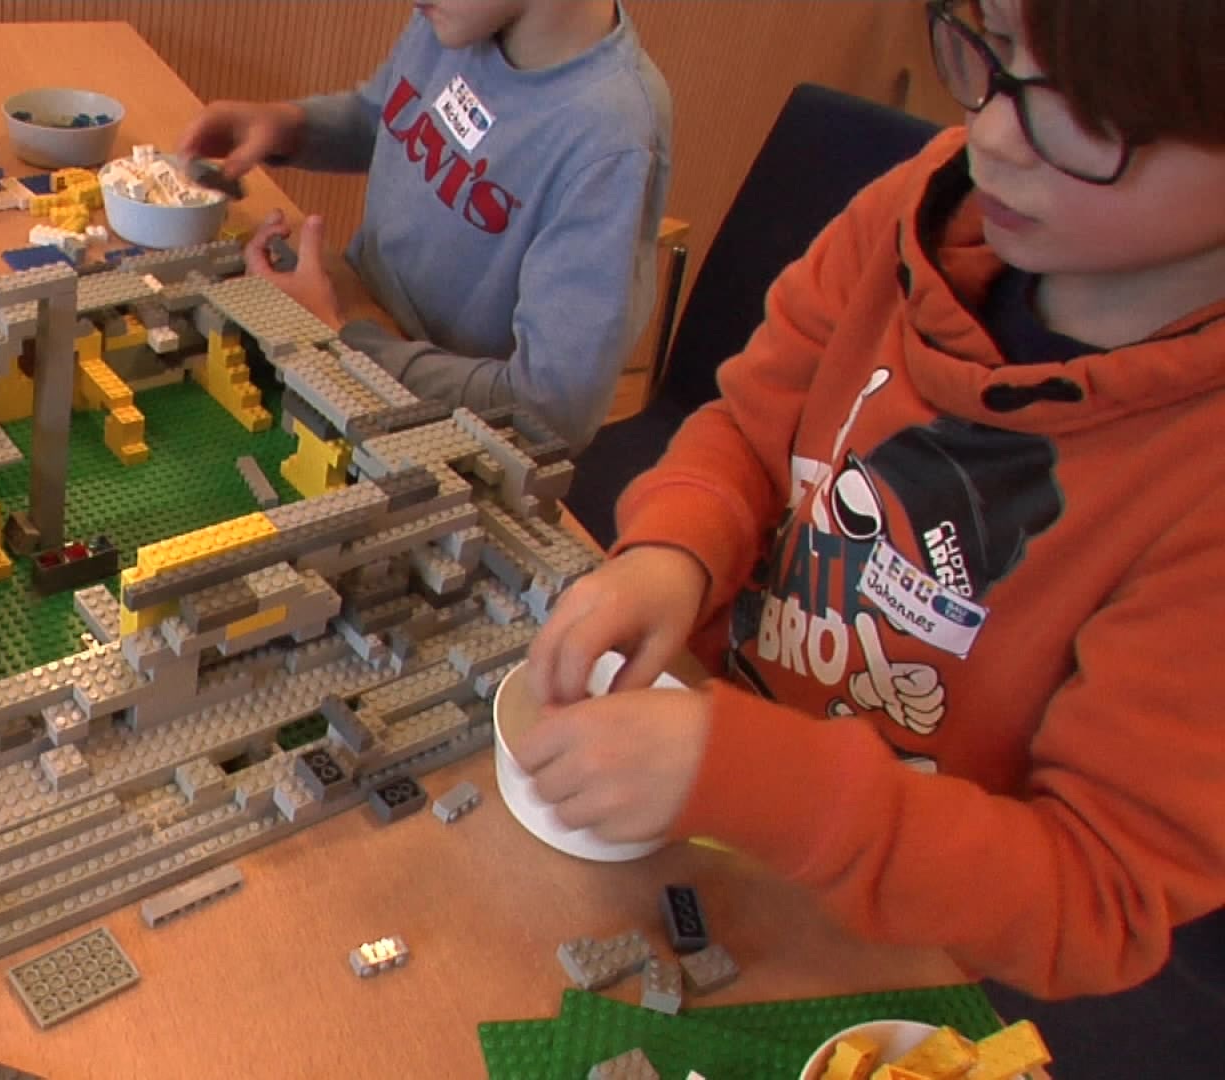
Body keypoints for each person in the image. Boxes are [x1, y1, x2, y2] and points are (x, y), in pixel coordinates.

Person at [516, 0, 1225, 1009]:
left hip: (875, 939)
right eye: (993, 51)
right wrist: (674, 549)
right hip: (693, 784)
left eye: (1089, 111)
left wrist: (757, 779)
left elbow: (1097, 900)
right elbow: (749, 426)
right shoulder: (917, 207)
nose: (992, 133)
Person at [178, 0, 671, 453]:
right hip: (353, 323)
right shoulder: (460, 18)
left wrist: (346, 340)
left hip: (439, 436)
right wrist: (291, 126)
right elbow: (391, 115)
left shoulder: (611, 140)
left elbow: (550, 409)